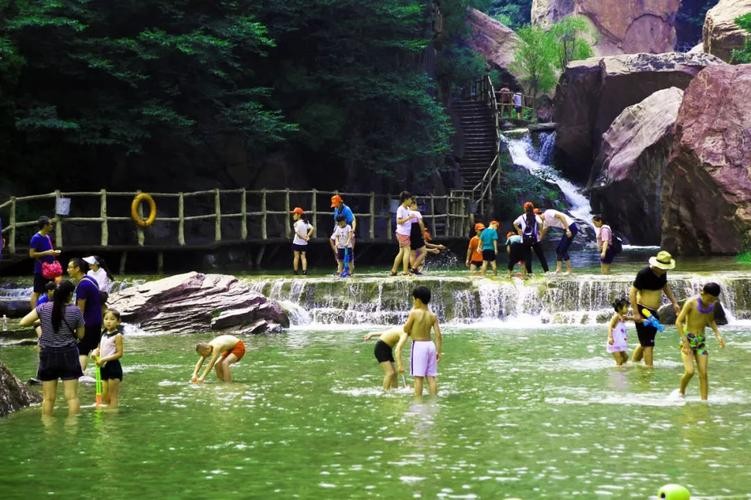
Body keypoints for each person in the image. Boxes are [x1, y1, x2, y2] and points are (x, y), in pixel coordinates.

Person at [19, 280, 84, 417]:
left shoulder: (43, 308)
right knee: (71, 397)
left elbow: (23, 322)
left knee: (48, 398)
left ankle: (48, 429)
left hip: (48, 354)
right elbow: (81, 335)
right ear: (70, 294)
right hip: (68, 354)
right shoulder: (75, 311)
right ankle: (72, 429)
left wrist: (41, 321)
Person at [629, 251, 681, 368]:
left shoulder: (662, 274)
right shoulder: (644, 274)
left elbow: (665, 286)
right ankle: (649, 369)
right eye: (664, 268)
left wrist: (674, 302)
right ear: (657, 265)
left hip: (653, 312)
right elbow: (632, 293)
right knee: (649, 344)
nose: (665, 270)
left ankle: (633, 364)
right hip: (643, 310)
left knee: (645, 342)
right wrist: (636, 312)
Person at [676, 283, 726, 400]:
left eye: (714, 299)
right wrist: (685, 342)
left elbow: (711, 320)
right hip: (688, 340)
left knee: (703, 374)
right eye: (710, 298)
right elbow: (678, 322)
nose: (711, 301)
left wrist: (718, 335)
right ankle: (681, 392)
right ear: (704, 293)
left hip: (701, 342)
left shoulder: (711, 304)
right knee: (690, 372)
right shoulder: (691, 303)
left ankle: (704, 402)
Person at [394, 286, 442, 398]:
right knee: (431, 377)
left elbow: (406, 329)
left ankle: (418, 402)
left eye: (413, 299)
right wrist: (438, 351)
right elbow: (438, 335)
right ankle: (434, 400)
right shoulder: (432, 315)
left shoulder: (414, 313)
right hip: (431, 345)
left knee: (418, 377)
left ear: (418, 300)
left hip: (419, 346)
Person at [67, 257, 103, 372]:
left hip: (88, 322)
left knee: (82, 349)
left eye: (70, 267)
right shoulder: (91, 280)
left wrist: (75, 326)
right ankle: (102, 372)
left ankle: (80, 374)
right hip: (97, 320)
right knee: (95, 347)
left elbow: (80, 310)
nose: (67, 270)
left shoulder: (83, 286)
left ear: (77, 269)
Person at [91, 309, 124, 408]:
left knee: (113, 396)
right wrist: (95, 352)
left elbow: (119, 353)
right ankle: (106, 418)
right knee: (105, 395)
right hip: (103, 367)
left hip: (113, 367)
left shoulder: (118, 336)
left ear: (118, 321)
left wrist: (104, 359)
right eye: (106, 319)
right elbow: (99, 348)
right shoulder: (103, 333)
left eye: (112, 319)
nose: (108, 321)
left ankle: (112, 417)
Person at [29, 216, 62, 309]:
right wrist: (47, 252)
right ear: (45, 225)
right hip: (40, 269)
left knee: (52, 290)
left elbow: (49, 251)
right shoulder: (36, 238)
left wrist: (53, 253)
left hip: (50, 270)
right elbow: (31, 254)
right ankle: (34, 314)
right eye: (50, 224)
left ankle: (50, 310)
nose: (52, 226)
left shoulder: (47, 236)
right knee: (37, 292)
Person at [363, 327, 408, 391]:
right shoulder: (405, 333)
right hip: (381, 348)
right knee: (390, 373)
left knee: (394, 373)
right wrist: (400, 365)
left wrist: (372, 334)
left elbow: (387, 333)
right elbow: (397, 350)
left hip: (387, 348)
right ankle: (385, 392)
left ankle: (394, 391)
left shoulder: (402, 329)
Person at [513, 202, 549, 275]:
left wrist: (518, 229)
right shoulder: (536, 216)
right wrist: (541, 232)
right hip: (535, 239)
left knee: (527, 258)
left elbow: (514, 223)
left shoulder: (522, 217)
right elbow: (541, 223)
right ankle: (547, 272)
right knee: (541, 257)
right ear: (532, 208)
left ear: (525, 209)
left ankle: (530, 274)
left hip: (525, 240)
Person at [539, 208, 579, 274]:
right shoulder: (545, 222)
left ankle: (569, 270)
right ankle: (558, 270)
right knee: (559, 250)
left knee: (562, 249)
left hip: (570, 227)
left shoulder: (548, 212)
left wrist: (568, 230)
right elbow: (543, 232)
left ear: (539, 214)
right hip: (567, 229)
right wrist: (538, 240)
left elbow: (561, 216)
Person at [390, 191, 414, 276]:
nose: (411, 201)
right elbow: (398, 221)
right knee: (407, 250)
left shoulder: (407, 208)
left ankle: (394, 270)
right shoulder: (400, 209)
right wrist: (408, 218)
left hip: (405, 233)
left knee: (401, 252)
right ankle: (405, 271)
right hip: (402, 233)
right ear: (406, 199)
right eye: (410, 199)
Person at [331, 194, 356, 274]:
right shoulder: (336, 209)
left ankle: (350, 269)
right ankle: (340, 267)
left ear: (340, 202)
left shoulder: (347, 209)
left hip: (347, 230)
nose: (335, 206)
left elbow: (353, 220)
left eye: (336, 204)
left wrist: (353, 230)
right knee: (333, 241)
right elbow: (336, 220)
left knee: (349, 252)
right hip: (339, 229)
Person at [607, 298, 631, 366]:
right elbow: (610, 326)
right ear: (619, 308)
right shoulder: (616, 316)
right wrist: (610, 337)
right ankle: (618, 374)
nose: (628, 309)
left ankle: (622, 371)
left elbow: (630, 319)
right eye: (626, 307)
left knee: (625, 358)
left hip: (619, 343)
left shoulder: (622, 317)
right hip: (614, 343)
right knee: (620, 360)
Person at [291, 207, 315, 275]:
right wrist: (307, 236)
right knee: (303, 257)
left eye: (294, 214)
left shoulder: (296, 224)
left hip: (296, 243)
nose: (293, 215)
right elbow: (312, 228)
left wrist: (304, 238)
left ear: (299, 215)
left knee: (296, 257)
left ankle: (295, 271)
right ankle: (304, 271)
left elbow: (298, 234)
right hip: (304, 244)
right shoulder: (306, 222)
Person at [407, 200, 428, 274]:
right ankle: (414, 268)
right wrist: (422, 233)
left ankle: (414, 270)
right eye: (416, 205)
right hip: (416, 233)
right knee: (424, 252)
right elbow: (421, 223)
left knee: (412, 253)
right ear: (412, 205)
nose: (417, 207)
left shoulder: (406, 212)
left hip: (408, 233)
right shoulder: (417, 213)